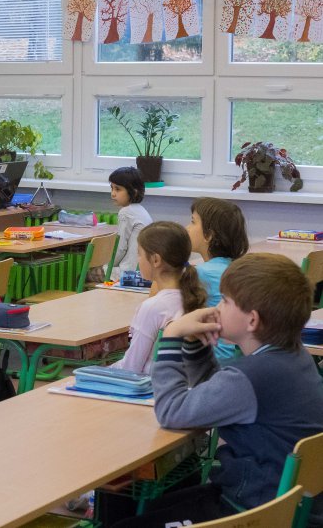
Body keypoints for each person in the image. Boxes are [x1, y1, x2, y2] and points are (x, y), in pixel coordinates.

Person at [112, 253, 323, 527]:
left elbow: (171, 413)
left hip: (256, 513)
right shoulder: (295, 357)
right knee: (154, 506)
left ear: (252, 321)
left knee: (126, 524)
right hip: (287, 503)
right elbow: (217, 395)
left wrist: (171, 337)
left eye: (224, 301)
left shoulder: (252, 376)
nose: (216, 308)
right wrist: (195, 345)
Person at [112, 222, 206, 374]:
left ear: (155, 260)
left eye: (139, 254)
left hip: (150, 384)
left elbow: (131, 368)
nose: (138, 259)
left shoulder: (152, 307)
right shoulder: (194, 296)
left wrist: (96, 371)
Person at [186, 197, 249, 360]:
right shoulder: (233, 266)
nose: (187, 228)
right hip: (238, 355)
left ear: (208, 235)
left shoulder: (202, 273)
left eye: (193, 222)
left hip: (213, 359)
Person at [107, 167, 153, 279]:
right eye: (112, 188)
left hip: (128, 272)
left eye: (118, 189)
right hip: (142, 269)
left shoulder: (126, 212)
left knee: (85, 274)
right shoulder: (141, 210)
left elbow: (120, 248)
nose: (113, 194)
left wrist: (106, 265)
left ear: (134, 192)